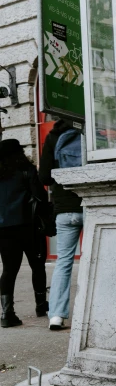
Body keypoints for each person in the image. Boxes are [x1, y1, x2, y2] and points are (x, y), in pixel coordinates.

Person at [40, 119, 83, 331]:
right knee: (95, 259)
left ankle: (56, 315)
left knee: (63, 262)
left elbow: (44, 176)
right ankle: (91, 310)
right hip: (90, 204)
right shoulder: (90, 134)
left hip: (65, 209)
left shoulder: (52, 137)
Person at [0, 139, 49, 328]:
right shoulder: (27, 170)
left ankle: (7, 313)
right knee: (37, 265)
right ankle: (40, 305)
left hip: (4, 229)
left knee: (9, 270)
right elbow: (40, 196)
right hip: (29, 226)